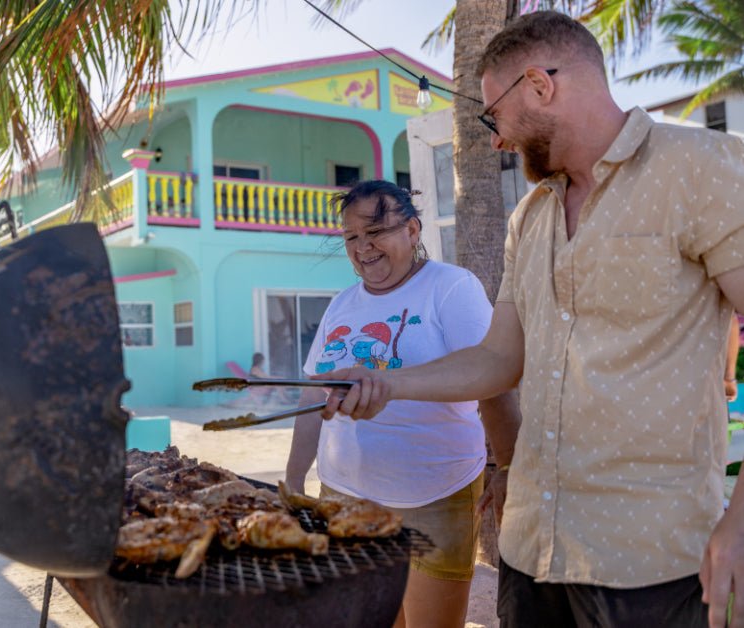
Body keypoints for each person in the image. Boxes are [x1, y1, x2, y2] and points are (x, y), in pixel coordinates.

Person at [314, 12, 744, 628]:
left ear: (541, 86)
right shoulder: (530, 217)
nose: (494, 139)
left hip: (650, 560)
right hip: (531, 553)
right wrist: (387, 383)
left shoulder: (702, 168)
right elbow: (497, 360)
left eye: (494, 116)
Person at [285, 180, 521, 628]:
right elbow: (312, 392)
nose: (362, 248)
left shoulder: (450, 287)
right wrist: (296, 477)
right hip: (345, 497)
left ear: (412, 230)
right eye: (351, 237)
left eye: (375, 232)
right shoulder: (341, 305)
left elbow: (492, 378)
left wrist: (509, 464)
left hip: (434, 494)